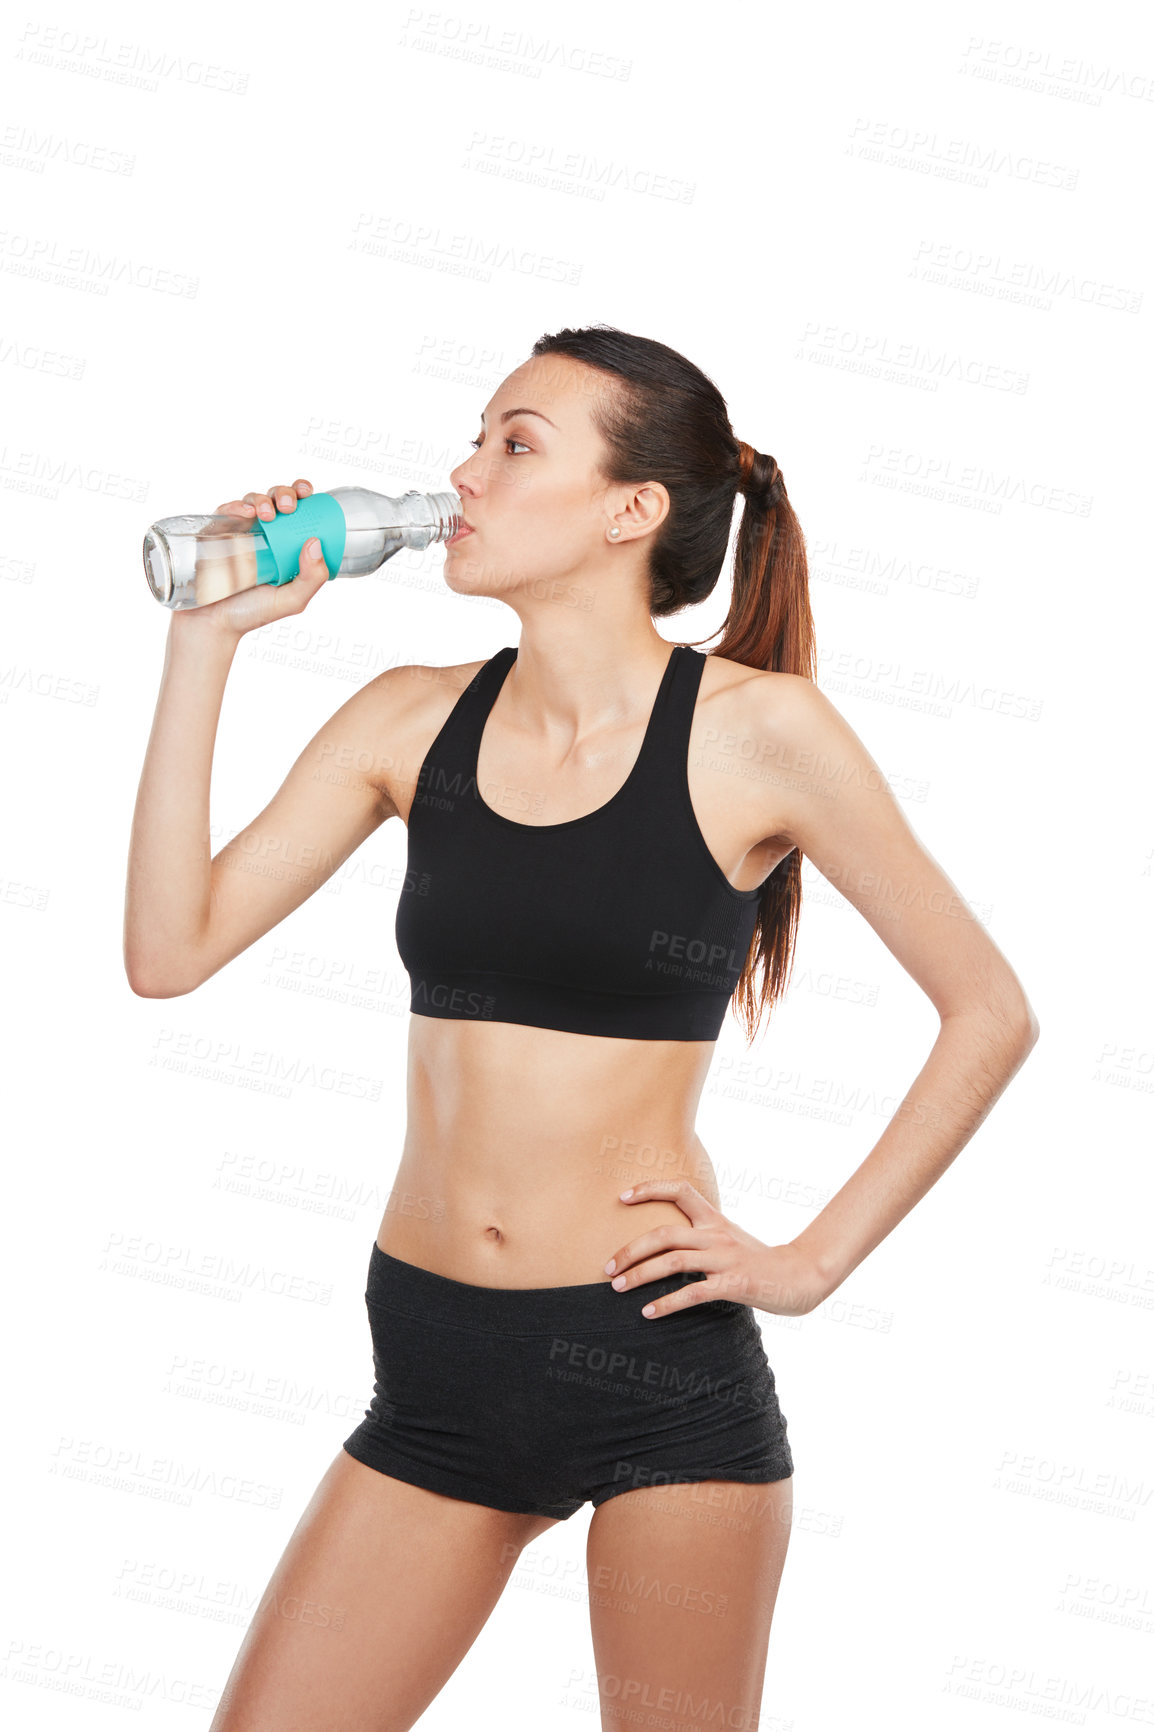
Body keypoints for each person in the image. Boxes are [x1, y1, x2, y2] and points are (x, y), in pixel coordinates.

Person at [124, 323, 1039, 1731]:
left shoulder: (759, 734)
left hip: (654, 1376)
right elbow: (168, 952)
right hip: (432, 1373)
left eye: (513, 442)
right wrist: (207, 643)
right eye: (476, 437)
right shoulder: (404, 721)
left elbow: (986, 1010)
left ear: (632, 511)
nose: (461, 473)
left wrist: (807, 1263)